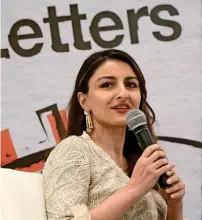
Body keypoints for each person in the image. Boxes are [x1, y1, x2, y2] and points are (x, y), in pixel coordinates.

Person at [42, 49, 185, 220]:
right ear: (84, 101)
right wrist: (134, 189)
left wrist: (174, 205)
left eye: (131, 85)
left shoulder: (139, 161)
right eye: (107, 85)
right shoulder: (74, 150)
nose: (123, 94)